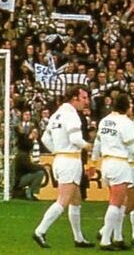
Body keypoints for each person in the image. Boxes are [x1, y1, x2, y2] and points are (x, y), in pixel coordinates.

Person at [92, 93, 134, 250]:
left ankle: (118, 237)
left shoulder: (105, 120)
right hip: (120, 163)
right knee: (116, 203)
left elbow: (97, 142)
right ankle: (106, 240)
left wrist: (93, 161)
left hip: (106, 162)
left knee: (121, 203)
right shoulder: (126, 123)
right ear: (126, 106)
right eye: (130, 104)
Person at [33, 85, 94, 249]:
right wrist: (89, 146)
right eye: (84, 98)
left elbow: (45, 138)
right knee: (63, 200)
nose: (86, 102)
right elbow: (75, 140)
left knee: (76, 199)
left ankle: (79, 238)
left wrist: (57, 151)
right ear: (74, 98)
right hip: (70, 160)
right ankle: (40, 230)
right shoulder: (72, 115)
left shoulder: (56, 114)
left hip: (60, 159)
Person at [15, 128, 45, 201]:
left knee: (38, 172)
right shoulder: (23, 155)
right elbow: (29, 167)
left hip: (19, 178)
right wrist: (41, 167)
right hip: (18, 180)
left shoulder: (22, 153)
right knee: (40, 173)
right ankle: (31, 191)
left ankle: (29, 192)